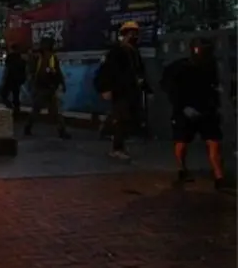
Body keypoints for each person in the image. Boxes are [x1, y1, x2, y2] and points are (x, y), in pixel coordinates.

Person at [160, 38, 226, 190]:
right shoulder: (179, 67)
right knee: (181, 143)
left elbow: (213, 87)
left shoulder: (211, 66)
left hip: (206, 110)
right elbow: (169, 87)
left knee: (213, 142)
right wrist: (182, 106)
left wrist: (215, 103)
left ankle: (219, 175)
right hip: (184, 110)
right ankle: (182, 169)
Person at [94, 21, 152, 160]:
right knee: (122, 119)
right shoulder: (116, 52)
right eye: (131, 34)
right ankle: (117, 148)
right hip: (120, 91)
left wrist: (147, 89)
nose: (134, 37)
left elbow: (140, 73)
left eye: (136, 34)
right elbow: (105, 71)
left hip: (132, 91)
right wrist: (105, 88)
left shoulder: (134, 52)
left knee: (127, 117)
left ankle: (108, 128)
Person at [24, 34, 71, 139]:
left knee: (46, 110)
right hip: (45, 88)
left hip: (45, 87)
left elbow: (54, 71)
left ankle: (28, 127)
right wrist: (61, 83)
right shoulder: (45, 57)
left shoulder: (43, 56)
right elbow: (55, 72)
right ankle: (61, 131)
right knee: (48, 111)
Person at [1, 43, 27, 116]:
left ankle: (11, 107)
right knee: (16, 95)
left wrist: (4, 78)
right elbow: (24, 70)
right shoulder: (21, 58)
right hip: (17, 80)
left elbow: (7, 69)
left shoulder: (10, 57)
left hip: (10, 79)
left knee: (4, 95)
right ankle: (16, 110)